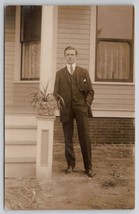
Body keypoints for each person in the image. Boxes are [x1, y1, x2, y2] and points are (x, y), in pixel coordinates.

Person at [54, 46, 95, 178]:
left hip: (81, 108)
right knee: (67, 137)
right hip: (66, 110)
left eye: (72, 54)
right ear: (64, 56)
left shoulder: (83, 72)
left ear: (76, 56)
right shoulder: (60, 74)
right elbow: (56, 94)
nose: (70, 56)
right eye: (68, 54)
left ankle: (88, 167)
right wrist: (59, 104)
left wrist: (86, 103)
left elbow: (90, 91)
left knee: (85, 137)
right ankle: (70, 164)